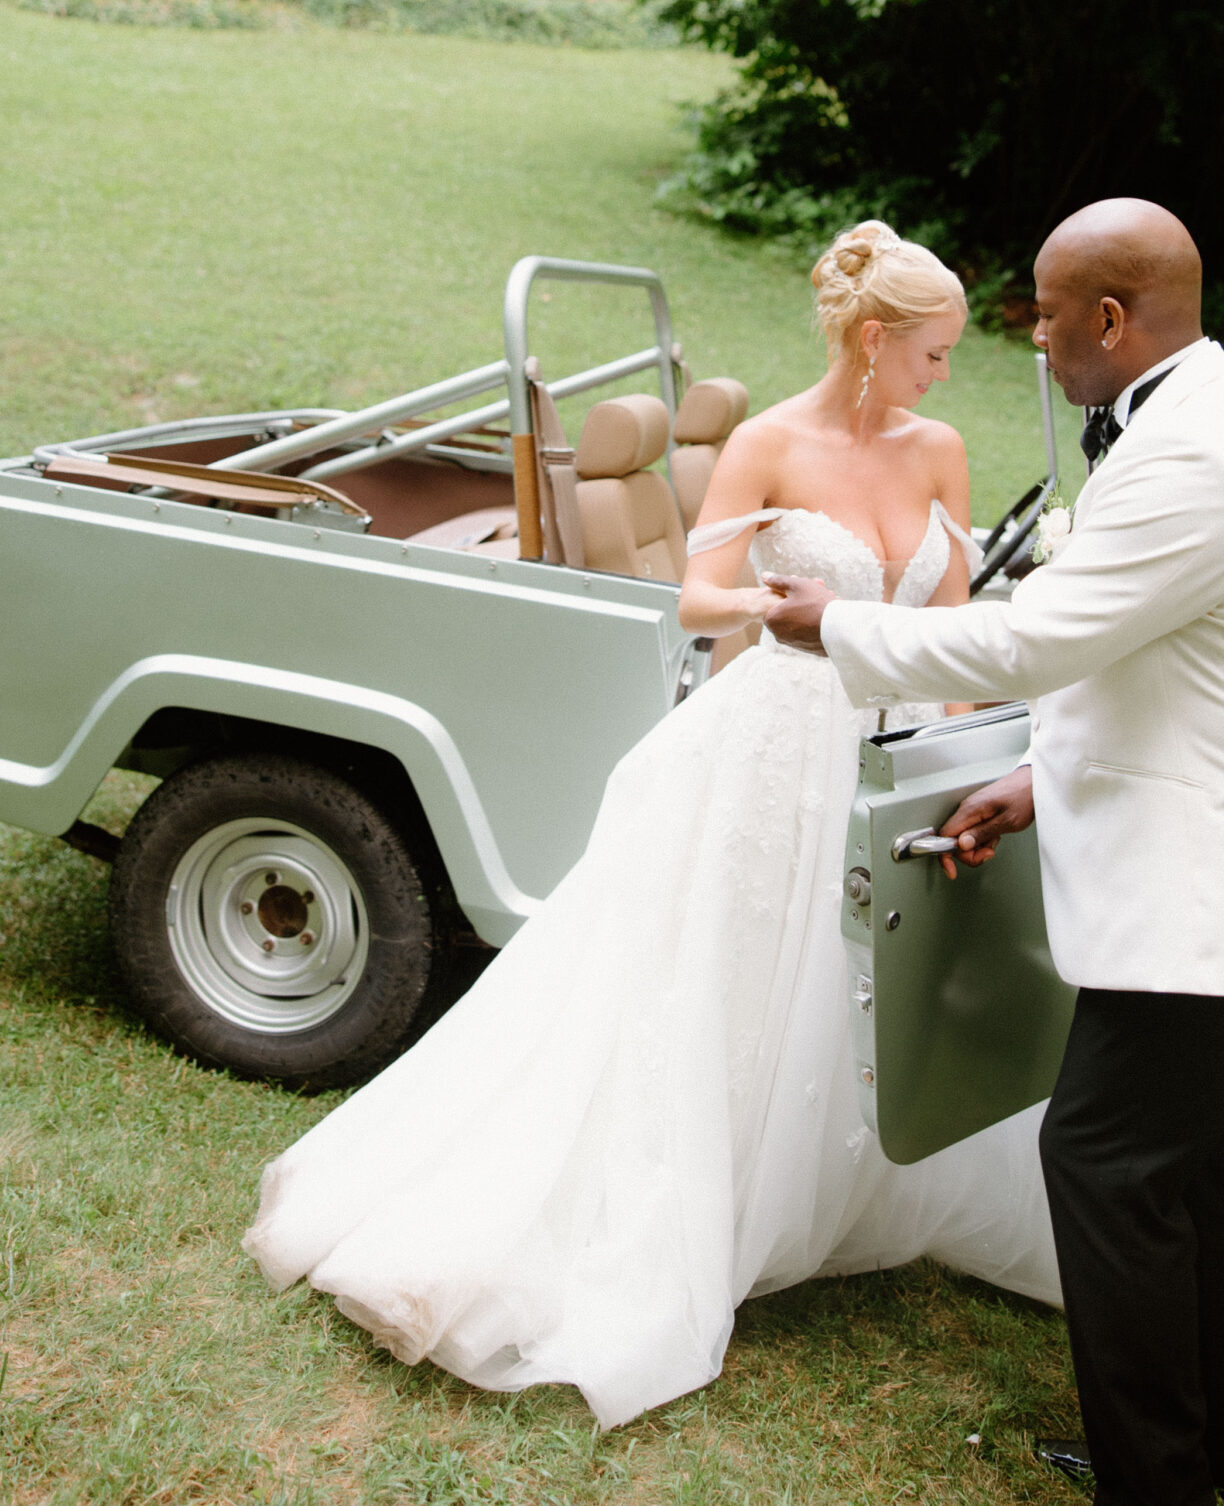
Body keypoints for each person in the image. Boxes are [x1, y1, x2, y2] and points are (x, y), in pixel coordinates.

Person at [243, 221, 1060, 1430]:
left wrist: (961, 746)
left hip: (882, 752)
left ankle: (820, 1183)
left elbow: (945, 624)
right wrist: (783, 610)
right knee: (727, 981)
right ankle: (682, 1212)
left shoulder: (939, 449)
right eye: (935, 352)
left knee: (865, 979)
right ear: (877, 341)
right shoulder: (769, 440)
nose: (947, 374)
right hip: (771, 738)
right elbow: (694, 595)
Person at [766, 198, 1224, 1506]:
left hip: (1201, 891)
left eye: (1040, 310)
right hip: (1212, 868)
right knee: (1200, 1176)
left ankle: (1155, 1478)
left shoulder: (1191, 453)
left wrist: (841, 626)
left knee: (1102, 1162)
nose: (1027, 335)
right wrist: (1039, 777)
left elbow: (1032, 642)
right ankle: (1210, 1466)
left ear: (1107, 316)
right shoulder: (1179, 417)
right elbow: (1162, 658)